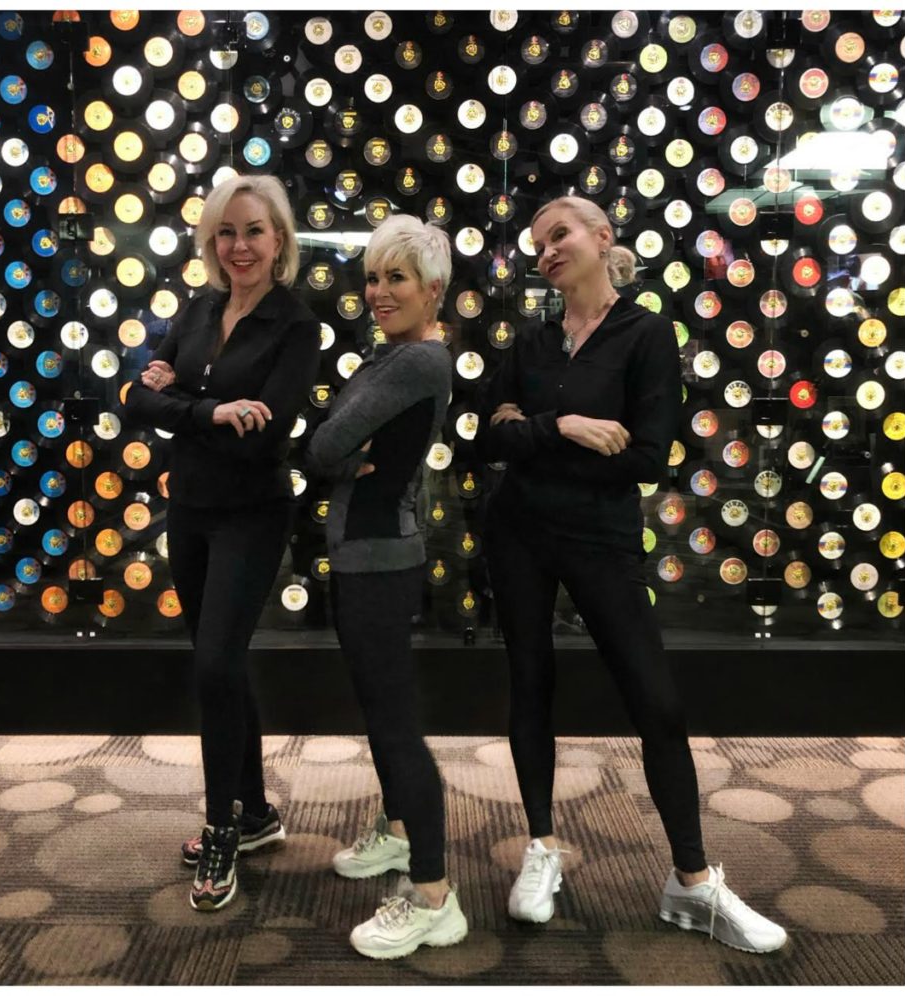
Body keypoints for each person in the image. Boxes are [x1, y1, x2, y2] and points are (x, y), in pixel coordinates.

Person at [476, 195, 787, 954]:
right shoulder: (533, 340)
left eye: (560, 235)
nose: (546, 251)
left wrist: (531, 433)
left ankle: (690, 881)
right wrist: (572, 427)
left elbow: (649, 457)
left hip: (601, 541)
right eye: (537, 243)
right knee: (531, 687)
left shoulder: (644, 333)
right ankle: (543, 847)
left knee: (656, 702)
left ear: (602, 238)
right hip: (518, 534)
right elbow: (488, 433)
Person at [124, 174, 321, 912]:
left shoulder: (297, 325)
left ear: (280, 241)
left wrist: (182, 404)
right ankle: (259, 812)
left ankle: (220, 828)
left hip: (252, 512)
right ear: (212, 243)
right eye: (226, 233)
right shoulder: (199, 308)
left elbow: (266, 430)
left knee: (213, 665)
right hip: (192, 507)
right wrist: (208, 411)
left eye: (254, 232)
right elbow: (137, 399)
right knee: (222, 662)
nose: (240, 246)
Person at [305, 215, 468, 959]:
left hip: (379, 557)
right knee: (379, 711)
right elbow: (337, 436)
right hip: (365, 551)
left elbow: (324, 442)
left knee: (397, 723)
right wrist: (340, 446)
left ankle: (435, 895)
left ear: (433, 289)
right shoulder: (392, 354)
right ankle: (400, 834)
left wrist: (336, 452)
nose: (377, 291)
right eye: (372, 277)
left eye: (396, 278)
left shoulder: (413, 363)